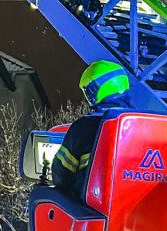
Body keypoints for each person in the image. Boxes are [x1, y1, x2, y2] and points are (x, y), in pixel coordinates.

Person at [51, 60, 131, 199]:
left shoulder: (84, 127)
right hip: (142, 209)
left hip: (92, 209)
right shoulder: (146, 125)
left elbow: (62, 175)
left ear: (96, 89)